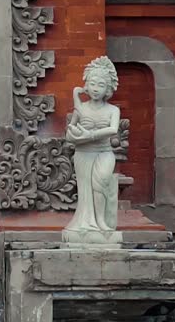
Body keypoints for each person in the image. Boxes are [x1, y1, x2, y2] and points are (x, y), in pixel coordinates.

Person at [63, 56, 121, 242]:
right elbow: (69, 133)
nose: (96, 88)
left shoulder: (113, 110)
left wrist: (91, 135)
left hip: (104, 152)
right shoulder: (80, 109)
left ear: (108, 89)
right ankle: (88, 223)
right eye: (93, 83)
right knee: (86, 189)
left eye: (101, 85)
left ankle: (102, 221)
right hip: (83, 154)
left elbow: (113, 130)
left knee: (101, 183)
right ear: (87, 84)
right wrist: (76, 134)